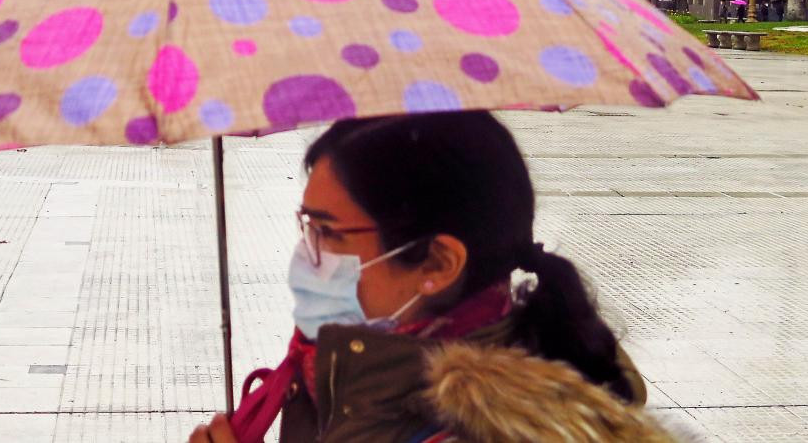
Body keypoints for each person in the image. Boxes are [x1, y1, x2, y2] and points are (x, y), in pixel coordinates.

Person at [189, 113, 673, 443]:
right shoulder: (347, 377)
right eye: (307, 227)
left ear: (438, 264)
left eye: (328, 232)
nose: (306, 253)